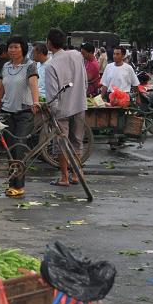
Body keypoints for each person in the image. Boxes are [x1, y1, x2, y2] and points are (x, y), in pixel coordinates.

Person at [0, 36, 39, 198]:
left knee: (19, 147)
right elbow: (0, 89)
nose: (12, 50)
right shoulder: (5, 66)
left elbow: (33, 84)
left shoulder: (30, 65)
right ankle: (12, 182)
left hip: (25, 112)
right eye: (10, 47)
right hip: (7, 112)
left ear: (23, 49)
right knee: (10, 149)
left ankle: (19, 186)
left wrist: (36, 102)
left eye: (16, 47)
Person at [44, 27, 87, 187]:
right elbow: (84, 80)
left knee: (62, 143)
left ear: (48, 43)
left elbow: (52, 94)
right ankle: (75, 174)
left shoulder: (51, 65)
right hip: (79, 104)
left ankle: (64, 177)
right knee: (77, 141)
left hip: (61, 109)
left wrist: (51, 111)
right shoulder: (77, 55)